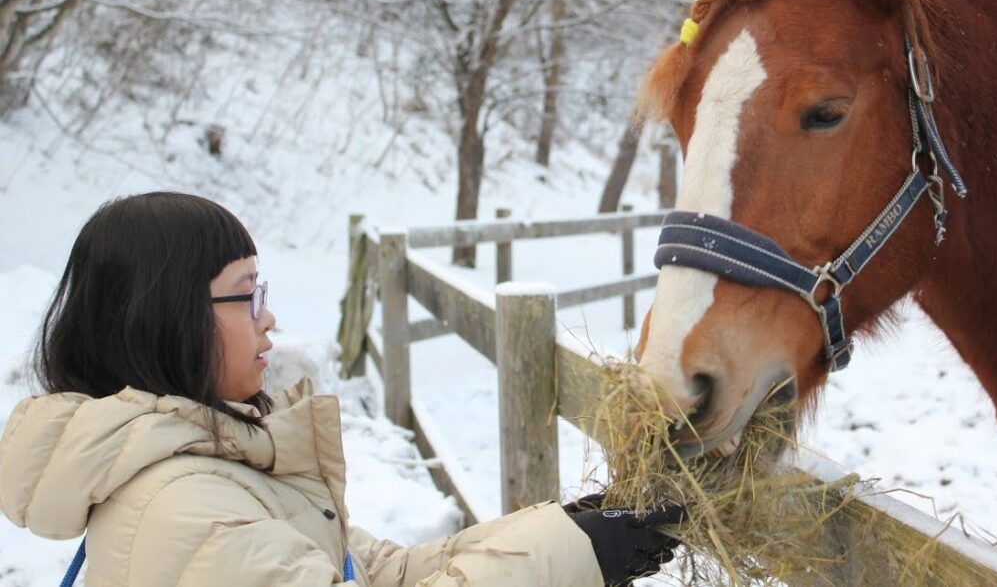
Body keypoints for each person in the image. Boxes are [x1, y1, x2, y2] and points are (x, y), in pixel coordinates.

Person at [0, 192, 683, 586]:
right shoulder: (188, 510)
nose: (269, 316)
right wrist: (575, 560)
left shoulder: (212, 468)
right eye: (246, 296)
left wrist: (569, 531)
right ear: (165, 317)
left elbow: (376, 571)